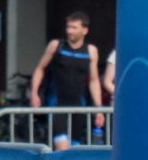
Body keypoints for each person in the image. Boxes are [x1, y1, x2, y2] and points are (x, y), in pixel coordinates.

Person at [28, 11, 104, 148]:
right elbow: (40, 68)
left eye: (74, 28)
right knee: (62, 147)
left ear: (85, 30)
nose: (69, 31)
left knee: (74, 148)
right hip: (57, 104)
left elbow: (94, 80)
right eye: (68, 27)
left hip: (79, 105)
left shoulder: (91, 51)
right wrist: (34, 92)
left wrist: (99, 109)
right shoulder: (56, 45)